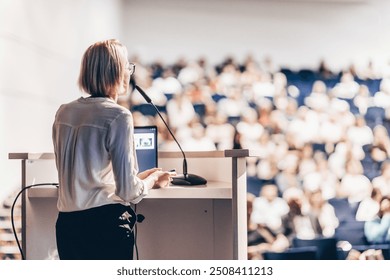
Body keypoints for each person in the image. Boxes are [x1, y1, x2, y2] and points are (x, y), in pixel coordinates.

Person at [52, 39, 175, 260]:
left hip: (67, 226)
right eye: (127, 66)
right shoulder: (118, 116)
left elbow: (88, 175)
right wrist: (153, 179)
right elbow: (129, 192)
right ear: (116, 71)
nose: (130, 71)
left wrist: (137, 178)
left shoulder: (64, 113)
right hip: (105, 227)